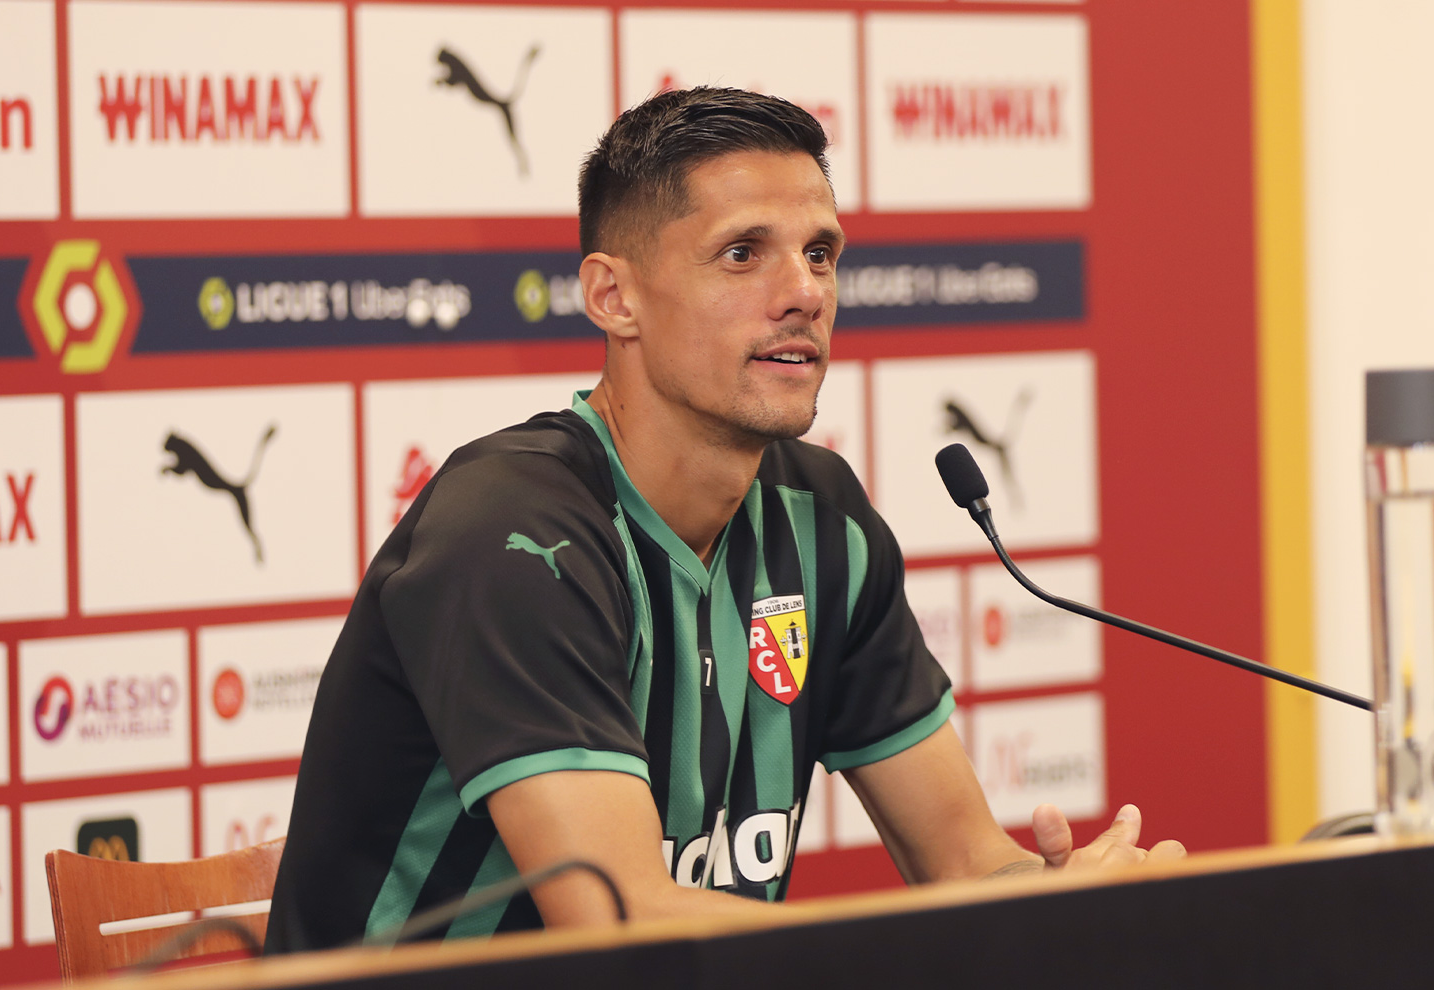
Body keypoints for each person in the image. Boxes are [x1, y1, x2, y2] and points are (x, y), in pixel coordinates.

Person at [264, 87, 1182, 953]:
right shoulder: (515, 534)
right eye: (743, 253)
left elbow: (963, 859)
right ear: (613, 298)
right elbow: (618, 920)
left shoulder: (822, 519)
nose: (805, 292)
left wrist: (1054, 896)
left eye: (820, 254)